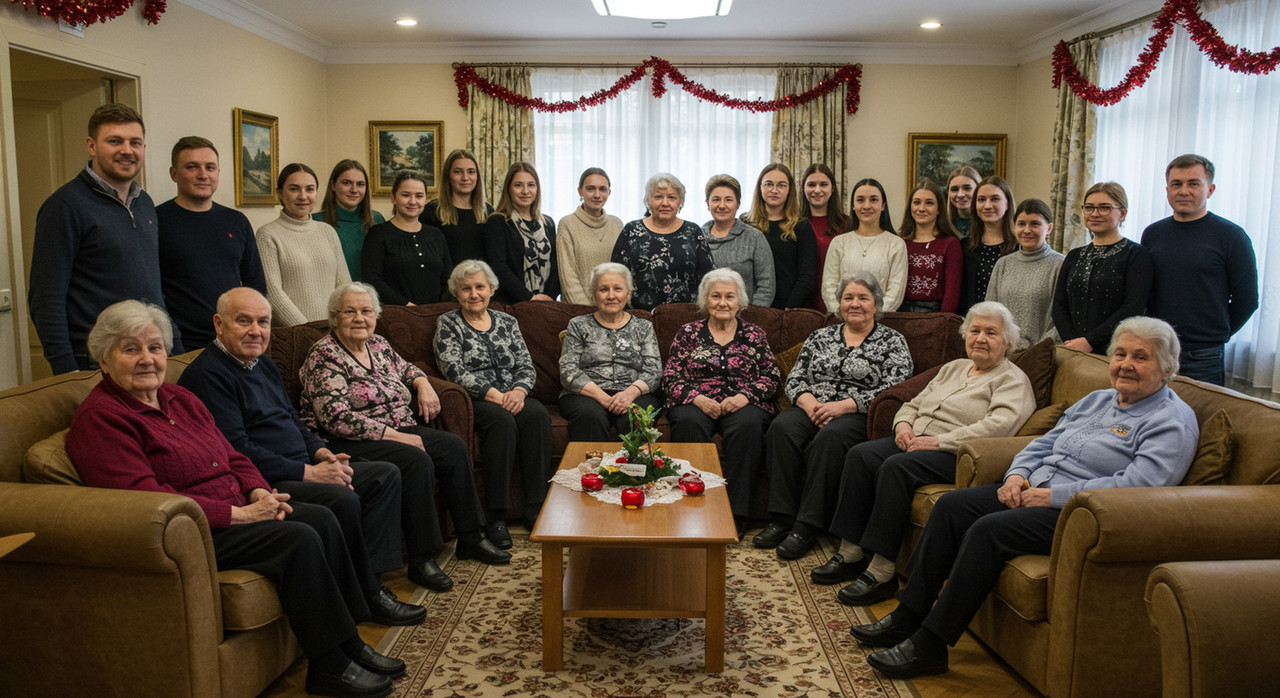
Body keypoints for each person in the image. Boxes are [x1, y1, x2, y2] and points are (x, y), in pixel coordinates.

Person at [67, 300, 408, 697]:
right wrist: (242, 515)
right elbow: (145, 501)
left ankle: (350, 643)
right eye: (131, 349)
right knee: (298, 537)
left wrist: (259, 490)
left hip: (238, 504)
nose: (147, 359)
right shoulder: (103, 419)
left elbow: (232, 455)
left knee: (324, 517)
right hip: (194, 531)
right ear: (104, 360)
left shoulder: (178, 399)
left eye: (155, 348)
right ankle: (330, 666)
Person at [851, 316, 1198, 680]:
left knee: (988, 531)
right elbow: (1045, 441)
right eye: (1120, 354)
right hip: (1037, 488)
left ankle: (930, 645)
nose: (1126, 364)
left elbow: (1140, 485)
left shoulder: (1171, 420)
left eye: (1140, 357)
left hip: (1083, 513)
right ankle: (908, 615)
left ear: (1167, 368)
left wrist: (1051, 496)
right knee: (952, 506)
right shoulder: (1099, 399)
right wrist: (1017, 475)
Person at [179, 288, 437, 615]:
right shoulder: (208, 376)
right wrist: (310, 473)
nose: (256, 331)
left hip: (302, 463)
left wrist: (320, 454)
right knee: (343, 497)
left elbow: (293, 419)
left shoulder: (261, 363)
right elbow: (236, 449)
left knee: (384, 475)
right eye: (244, 321)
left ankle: (369, 581)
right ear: (218, 324)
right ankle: (368, 596)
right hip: (265, 480)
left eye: (263, 322)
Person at [814, 302, 1035, 605]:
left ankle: (881, 572)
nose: (980, 338)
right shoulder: (954, 368)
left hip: (956, 452)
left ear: (1008, 341)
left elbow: (999, 427)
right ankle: (850, 553)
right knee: (860, 455)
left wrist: (939, 441)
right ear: (965, 335)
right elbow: (913, 403)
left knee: (897, 467)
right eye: (975, 331)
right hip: (914, 439)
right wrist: (903, 426)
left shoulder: (1012, 380)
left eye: (991, 332)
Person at [298, 283, 510, 580]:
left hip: (399, 426)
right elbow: (335, 417)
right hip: (349, 440)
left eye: (366, 311)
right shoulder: (324, 355)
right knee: (415, 459)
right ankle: (421, 558)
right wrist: (395, 436)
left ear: (376, 315)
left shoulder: (378, 345)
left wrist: (422, 384)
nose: (359, 318)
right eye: (350, 311)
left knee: (452, 446)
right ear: (335, 317)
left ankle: (471, 537)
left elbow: (409, 369)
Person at [757, 271, 913, 559]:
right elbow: (795, 378)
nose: (855, 304)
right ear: (839, 303)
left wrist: (846, 405)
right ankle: (781, 518)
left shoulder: (893, 341)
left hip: (856, 413)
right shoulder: (820, 336)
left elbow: (896, 387)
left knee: (830, 439)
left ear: (876, 304)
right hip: (812, 405)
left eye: (863, 298)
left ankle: (807, 525)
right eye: (848, 297)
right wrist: (808, 403)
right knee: (781, 428)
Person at [29, 103, 183, 374]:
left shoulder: (144, 203)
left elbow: (153, 285)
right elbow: (46, 299)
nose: (127, 150)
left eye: (135, 142)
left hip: (149, 353)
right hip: (96, 359)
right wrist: (66, 370)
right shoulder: (64, 206)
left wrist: (175, 344)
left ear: (143, 148)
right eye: (115, 141)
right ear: (92, 146)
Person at [434, 260, 553, 539]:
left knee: (536, 416)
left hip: (515, 393)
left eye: (480, 287)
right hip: (478, 399)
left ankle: (536, 507)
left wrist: (520, 391)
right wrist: (496, 396)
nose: (474, 294)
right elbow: (453, 369)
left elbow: (525, 363)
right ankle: (496, 515)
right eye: (466, 288)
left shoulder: (508, 321)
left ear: (491, 290)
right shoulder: (449, 323)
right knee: (501, 422)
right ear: (456, 292)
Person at [663, 268, 780, 535]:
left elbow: (771, 376)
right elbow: (670, 376)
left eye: (730, 296)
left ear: (741, 302)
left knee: (748, 426)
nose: (723, 303)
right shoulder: (688, 332)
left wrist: (744, 396)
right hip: (697, 402)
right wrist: (696, 398)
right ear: (706, 300)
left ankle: (736, 514)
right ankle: (695, 507)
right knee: (687, 422)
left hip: (743, 403)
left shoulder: (754, 334)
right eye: (716, 296)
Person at [1142, 154, 1258, 385]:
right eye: (1176, 184)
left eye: (1193, 183)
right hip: (1157, 349)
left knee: (1200, 421)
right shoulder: (1153, 233)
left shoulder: (1231, 236)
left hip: (1204, 355)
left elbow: (1247, 299)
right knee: (1152, 418)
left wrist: (1215, 335)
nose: (1183, 191)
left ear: (1210, 189)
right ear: (1167, 190)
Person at [157, 136, 266, 348]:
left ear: (218, 172)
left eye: (210, 167)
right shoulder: (156, 221)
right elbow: (152, 290)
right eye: (192, 167)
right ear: (174, 174)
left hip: (235, 340)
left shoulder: (237, 221)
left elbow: (256, 284)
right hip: (181, 345)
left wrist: (254, 329)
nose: (203, 175)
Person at [559, 263, 663, 441]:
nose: (611, 296)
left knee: (635, 417)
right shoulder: (578, 325)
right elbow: (568, 370)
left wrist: (629, 393)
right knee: (590, 416)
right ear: (594, 294)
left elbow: (654, 370)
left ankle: (634, 469)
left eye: (618, 289)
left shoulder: (643, 327)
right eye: (603, 289)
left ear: (628, 293)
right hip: (586, 394)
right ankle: (593, 469)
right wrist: (605, 399)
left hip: (634, 393)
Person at [1053, 182, 1153, 355]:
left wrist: (1089, 341)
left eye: (1104, 208)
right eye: (1089, 208)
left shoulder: (1136, 254)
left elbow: (1133, 307)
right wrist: (1072, 342)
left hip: (1116, 350)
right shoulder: (1074, 256)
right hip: (1073, 349)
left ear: (1122, 213)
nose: (1095, 214)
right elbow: (1059, 306)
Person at [256, 163, 351, 326]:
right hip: (294, 335)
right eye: (294, 189)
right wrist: (308, 331)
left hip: (335, 331)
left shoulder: (327, 231)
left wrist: (343, 323)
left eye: (309, 189)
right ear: (280, 193)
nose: (303, 196)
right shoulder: (267, 235)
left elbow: (345, 286)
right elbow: (273, 294)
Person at [611, 173, 714, 311]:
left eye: (671, 197)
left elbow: (709, 278)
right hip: (638, 316)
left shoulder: (693, 231)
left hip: (685, 316)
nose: (665, 203)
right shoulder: (631, 230)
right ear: (648, 201)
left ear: (680, 202)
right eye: (658, 196)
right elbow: (616, 275)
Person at [362, 171, 453, 305]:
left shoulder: (436, 234)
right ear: (393, 198)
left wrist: (438, 307)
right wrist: (407, 306)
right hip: (396, 314)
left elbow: (449, 278)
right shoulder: (378, 234)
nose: (413, 201)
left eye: (419, 196)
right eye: (405, 195)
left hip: (435, 314)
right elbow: (372, 280)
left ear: (425, 199)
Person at [986, 199, 1064, 350]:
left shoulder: (1061, 265)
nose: (1027, 230)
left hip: (1040, 354)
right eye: (1021, 224)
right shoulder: (1003, 264)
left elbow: (1061, 321)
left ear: (1049, 229)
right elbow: (990, 311)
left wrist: (1036, 351)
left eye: (1035, 224)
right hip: (1001, 351)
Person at [821, 178, 908, 313]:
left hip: (881, 322)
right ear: (853, 206)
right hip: (841, 321)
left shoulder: (896, 244)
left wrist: (870, 318)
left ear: (883, 205)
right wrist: (846, 315)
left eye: (873, 200)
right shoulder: (839, 242)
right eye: (860, 200)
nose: (866, 206)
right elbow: (828, 288)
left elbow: (895, 294)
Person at [482, 161, 558, 304]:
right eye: (518, 185)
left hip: (545, 304)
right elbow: (498, 267)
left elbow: (556, 265)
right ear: (508, 189)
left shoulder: (548, 223)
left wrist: (549, 298)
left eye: (531, 185)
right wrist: (529, 298)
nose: (525, 191)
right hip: (510, 304)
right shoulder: (497, 222)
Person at [743, 163, 817, 309]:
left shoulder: (802, 226)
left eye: (781, 185)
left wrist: (788, 309)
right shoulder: (745, 223)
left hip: (789, 309)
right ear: (760, 187)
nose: (774, 190)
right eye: (768, 184)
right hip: (750, 307)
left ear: (790, 190)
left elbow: (807, 276)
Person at [700, 174, 776, 306]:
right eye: (716, 200)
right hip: (706, 317)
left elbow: (766, 285)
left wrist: (754, 317)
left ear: (738, 204)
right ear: (708, 204)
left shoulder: (754, 237)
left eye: (729, 200)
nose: (722, 205)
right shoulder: (698, 237)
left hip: (747, 318)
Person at [557, 167, 624, 305]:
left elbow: (623, 273)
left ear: (609, 192)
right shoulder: (567, 224)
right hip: (578, 310)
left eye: (602, 189)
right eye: (591, 189)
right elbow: (568, 277)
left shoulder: (617, 224)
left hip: (613, 308)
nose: (597, 195)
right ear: (580, 191)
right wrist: (588, 312)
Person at [897, 180, 962, 313]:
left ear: (939, 209)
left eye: (929, 203)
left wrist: (942, 323)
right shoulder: (900, 242)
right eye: (916, 202)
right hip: (901, 314)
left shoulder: (950, 244)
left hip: (935, 314)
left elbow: (952, 294)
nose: (921, 208)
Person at [315, 159, 385, 281]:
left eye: (360, 184)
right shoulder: (316, 222)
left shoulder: (377, 220)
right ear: (333, 185)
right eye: (346, 183)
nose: (354, 189)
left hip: (372, 297)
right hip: (335, 297)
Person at [422, 148, 492, 265]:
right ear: (448, 176)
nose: (465, 177)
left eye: (471, 172)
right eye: (458, 172)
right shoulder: (432, 211)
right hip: (446, 281)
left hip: (479, 281)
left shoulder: (488, 211)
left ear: (477, 176)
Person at [959, 176, 1018, 315]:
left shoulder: (1020, 247)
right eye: (981, 200)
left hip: (1010, 327)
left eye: (995, 199)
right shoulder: (965, 246)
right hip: (971, 326)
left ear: (1007, 203)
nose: (987, 205)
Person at [799, 163, 851, 310]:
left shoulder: (847, 224)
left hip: (838, 302)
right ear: (803, 189)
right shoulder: (793, 224)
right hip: (802, 303)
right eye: (811, 185)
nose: (817, 190)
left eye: (823, 184)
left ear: (832, 189)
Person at [945, 166, 981, 238]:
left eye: (967, 188)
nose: (960, 194)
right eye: (954, 189)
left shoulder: (989, 226)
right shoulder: (943, 226)